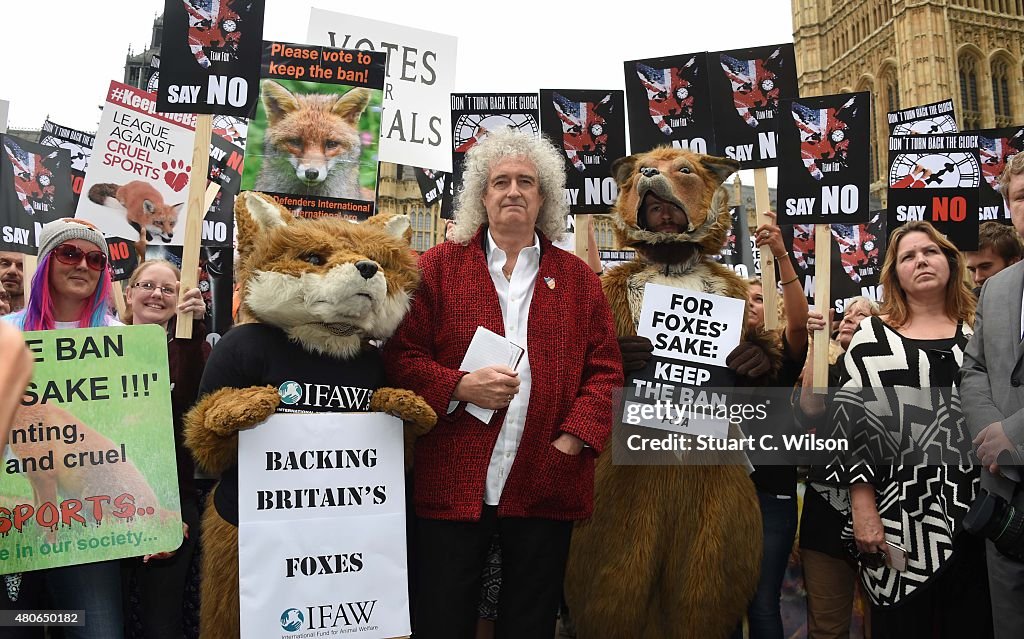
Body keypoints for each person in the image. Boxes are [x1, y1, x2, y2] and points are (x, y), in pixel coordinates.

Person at [382, 127, 622, 639]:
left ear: (543, 197)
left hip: (546, 475)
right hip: (451, 474)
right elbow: (401, 358)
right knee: (442, 618)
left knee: (529, 621)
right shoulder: (438, 268)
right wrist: (458, 386)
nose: (513, 191)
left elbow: (605, 372)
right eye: (500, 182)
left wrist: (572, 438)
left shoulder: (578, 279)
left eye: (526, 182)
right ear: (482, 196)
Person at [830, 220, 988, 638]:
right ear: (894, 274)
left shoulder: (981, 331)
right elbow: (853, 432)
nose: (921, 260)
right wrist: (863, 510)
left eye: (930, 251)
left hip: (979, 514)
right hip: (897, 516)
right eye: (908, 256)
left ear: (951, 262)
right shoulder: (872, 336)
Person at [1, 218, 124, 639]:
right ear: (46, 264)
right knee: (18, 628)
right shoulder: (6, 335)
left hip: (90, 526)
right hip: (12, 525)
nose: (83, 265)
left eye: (95, 258)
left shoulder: (122, 339)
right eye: (68, 253)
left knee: (96, 631)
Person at [120, 259, 209, 639]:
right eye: (146, 285)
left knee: (161, 622)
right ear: (129, 293)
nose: (156, 294)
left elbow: (187, 405)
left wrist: (193, 333)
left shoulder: (193, 350)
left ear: (179, 300)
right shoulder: (94, 346)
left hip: (173, 500)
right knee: (108, 616)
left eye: (167, 289)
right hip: (103, 504)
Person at [734, 212, 808, 639]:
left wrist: (781, 256)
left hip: (771, 496)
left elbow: (798, 325)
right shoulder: (709, 359)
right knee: (720, 603)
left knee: (763, 604)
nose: (749, 303)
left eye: (759, 298)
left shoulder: (781, 357)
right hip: (721, 491)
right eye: (741, 297)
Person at [960, 152, 1024, 639]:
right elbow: (976, 369)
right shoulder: (998, 289)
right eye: (1021, 197)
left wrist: (1014, 435)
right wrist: (991, 436)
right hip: (1006, 501)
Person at [796, 297, 879, 639]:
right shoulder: (827, 371)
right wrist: (816, 341)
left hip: (881, 512)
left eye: (861, 315)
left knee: (886, 623)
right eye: (845, 316)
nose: (848, 319)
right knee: (827, 628)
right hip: (825, 514)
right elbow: (811, 408)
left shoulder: (890, 372)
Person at [965, 221, 1023, 293]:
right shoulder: (971, 301)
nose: (977, 278)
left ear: (1014, 263)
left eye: (985, 267)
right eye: (972, 270)